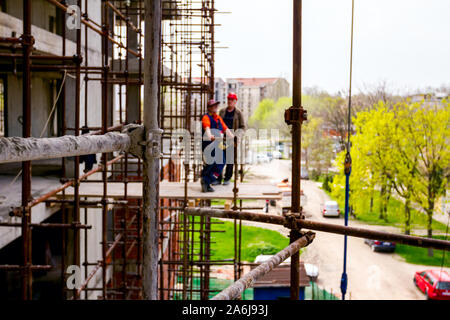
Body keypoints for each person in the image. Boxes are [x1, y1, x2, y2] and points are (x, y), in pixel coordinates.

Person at [201, 99, 234, 192]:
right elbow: (207, 127)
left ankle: (207, 180)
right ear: (209, 108)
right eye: (214, 106)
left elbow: (225, 129)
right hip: (209, 146)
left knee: (221, 162)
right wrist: (209, 135)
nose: (216, 107)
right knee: (211, 163)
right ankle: (206, 182)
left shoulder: (218, 118)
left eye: (216, 105)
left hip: (218, 145)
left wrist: (233, 137)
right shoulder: (206, 117)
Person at [216, 92, 246, 185]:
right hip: (222, 138)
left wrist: (238, 136)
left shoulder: (238, 113)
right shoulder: (222, 111)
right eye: (229, 99)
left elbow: (243, 127)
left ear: (235, 101)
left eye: (232, 100)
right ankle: (218, 178)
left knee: (230, 160)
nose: (230, 101)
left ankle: (227, 178)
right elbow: (218, 123)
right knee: (220, 158)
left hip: (232, 140)